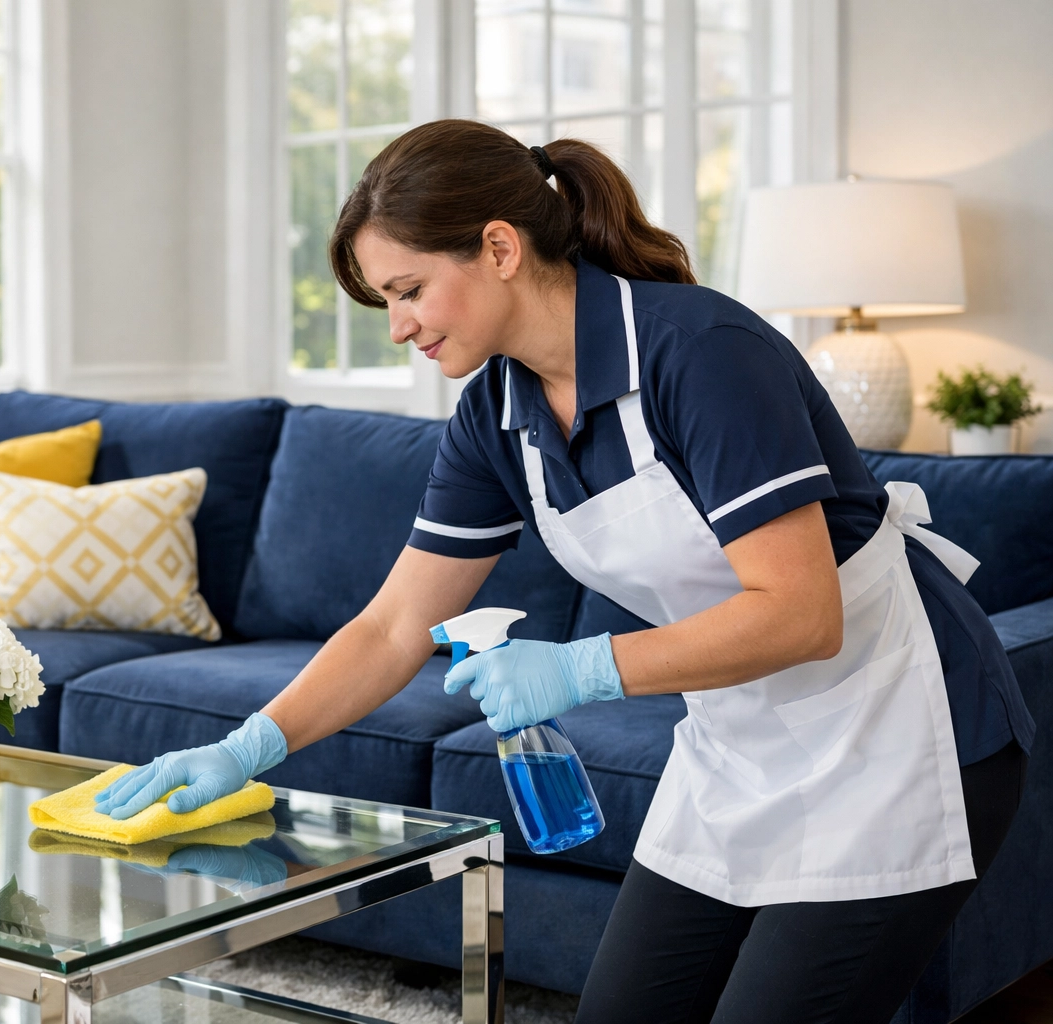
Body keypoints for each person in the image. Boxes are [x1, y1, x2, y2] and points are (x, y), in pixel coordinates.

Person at [93, 120, 1034, 1024]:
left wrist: (583, 669)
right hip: (741, 738)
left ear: (499, 248)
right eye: (386, 301)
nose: (399, 327)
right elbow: (392, 627)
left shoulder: (699, 353)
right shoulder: (496, 412)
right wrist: (247, 748)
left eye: (409, 289)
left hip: (897, 729)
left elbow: (800, 616)